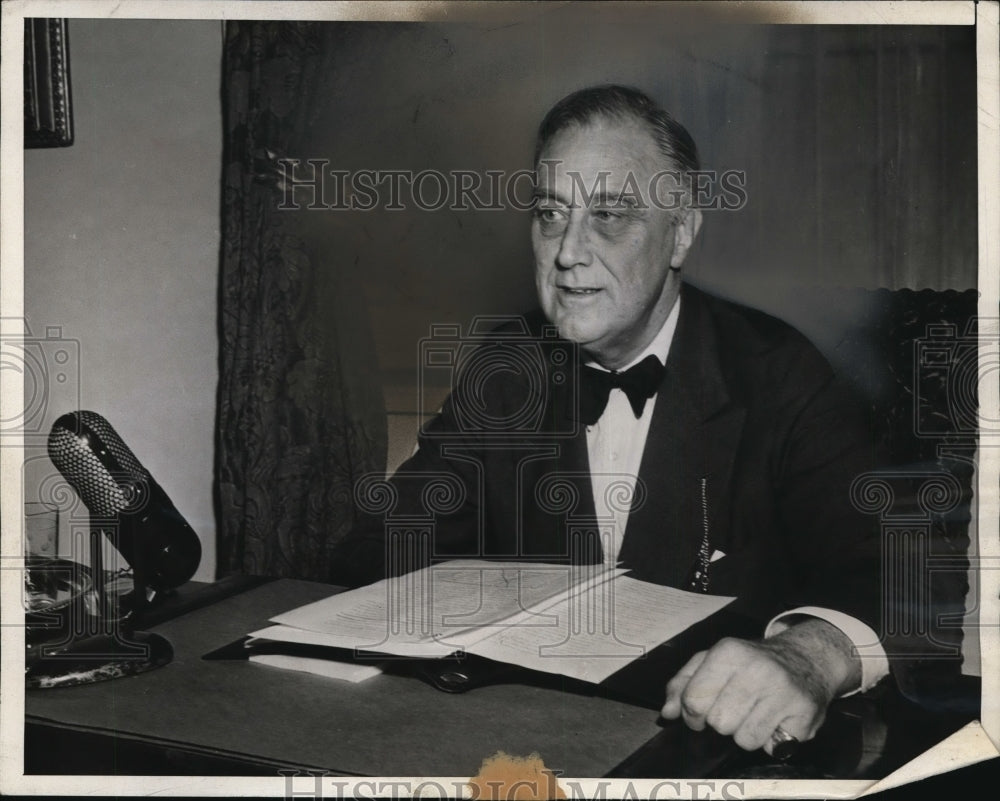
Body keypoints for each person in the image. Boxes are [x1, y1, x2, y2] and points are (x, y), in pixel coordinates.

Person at [331, 85, 888, 756]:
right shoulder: (507, 371)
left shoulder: (779, 372)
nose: (567, 252)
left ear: (680, 232)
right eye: (550, 214)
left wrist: (809, 657)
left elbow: (900, 575)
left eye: (610, 214)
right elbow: (378, 547)